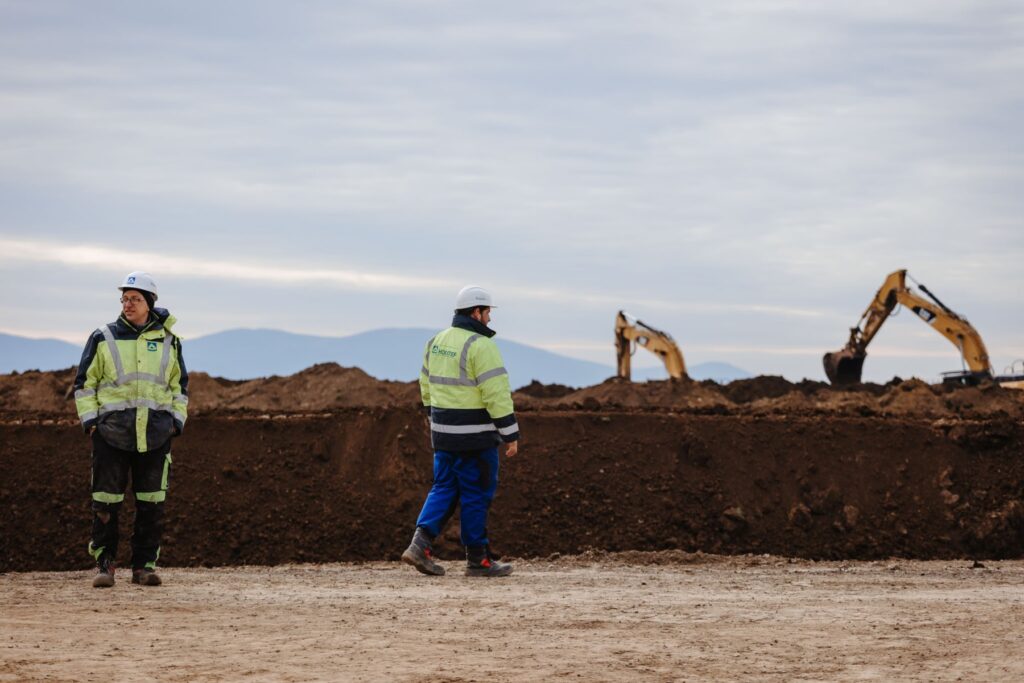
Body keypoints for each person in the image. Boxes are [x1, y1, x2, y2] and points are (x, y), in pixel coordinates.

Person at [73, 271, 188, 588]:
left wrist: (176, 422)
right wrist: (91, 423)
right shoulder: (103, 337)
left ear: (150, 303)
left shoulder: (169, 341)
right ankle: (105, 566)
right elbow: (84, 385)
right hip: (111, 435)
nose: (128, 304)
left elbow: (179, 387)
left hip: (155, 435)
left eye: (135, 299)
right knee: (105, 504)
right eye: (124, 299)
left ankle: (144, 568)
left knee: (152, 504)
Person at [401, 285, 520, 577]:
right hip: (476, 438)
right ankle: (477, 560)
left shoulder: (436, 341)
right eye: (488, 312)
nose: (490, 319)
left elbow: (425, 383)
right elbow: (496, 393)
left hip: (443, 435)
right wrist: (510, 433)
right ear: (476, 312)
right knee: (476, 493)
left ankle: (419, 545)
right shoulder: (482, 346)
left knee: (443, 487)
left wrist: (434, 416)